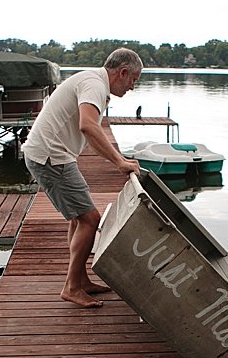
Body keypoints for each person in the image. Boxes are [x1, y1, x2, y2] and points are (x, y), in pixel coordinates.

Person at [23, 48, 144, 307]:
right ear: (122, 72)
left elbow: (89, 130)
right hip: (50, 157)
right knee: (90, 220)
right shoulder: (94, 85)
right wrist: (119, 161)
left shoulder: (93, 81)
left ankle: (80, 279)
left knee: (79, 218)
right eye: (133, 79)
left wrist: (116, 161)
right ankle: (72, 287)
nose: (133, 86)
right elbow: (88, 125)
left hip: (54, 155)